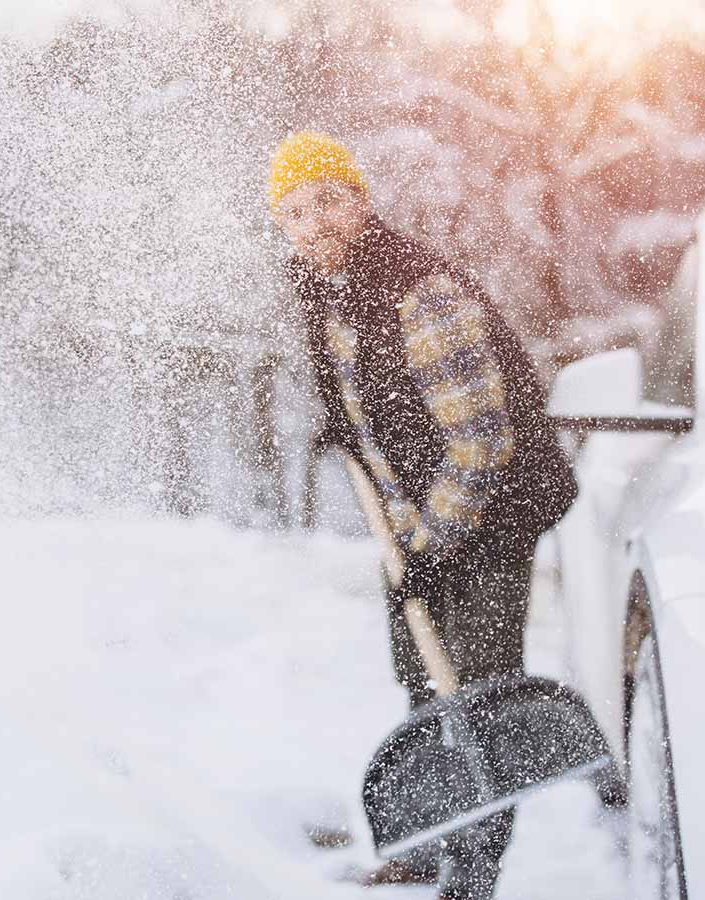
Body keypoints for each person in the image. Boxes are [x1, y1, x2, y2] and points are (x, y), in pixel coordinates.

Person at [268, 131, 578, 900]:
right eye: (297, 213)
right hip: (417, 515)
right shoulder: (326, 291)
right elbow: (379, 405)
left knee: (478, 697)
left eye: (330, 201)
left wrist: (434, 544)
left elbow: (479, 439)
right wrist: (350, 429)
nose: (317, 223)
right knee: (422, 681)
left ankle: (471, 878)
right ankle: (424, 846)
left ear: (361, 202)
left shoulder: (416, 289)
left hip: (491, 510)